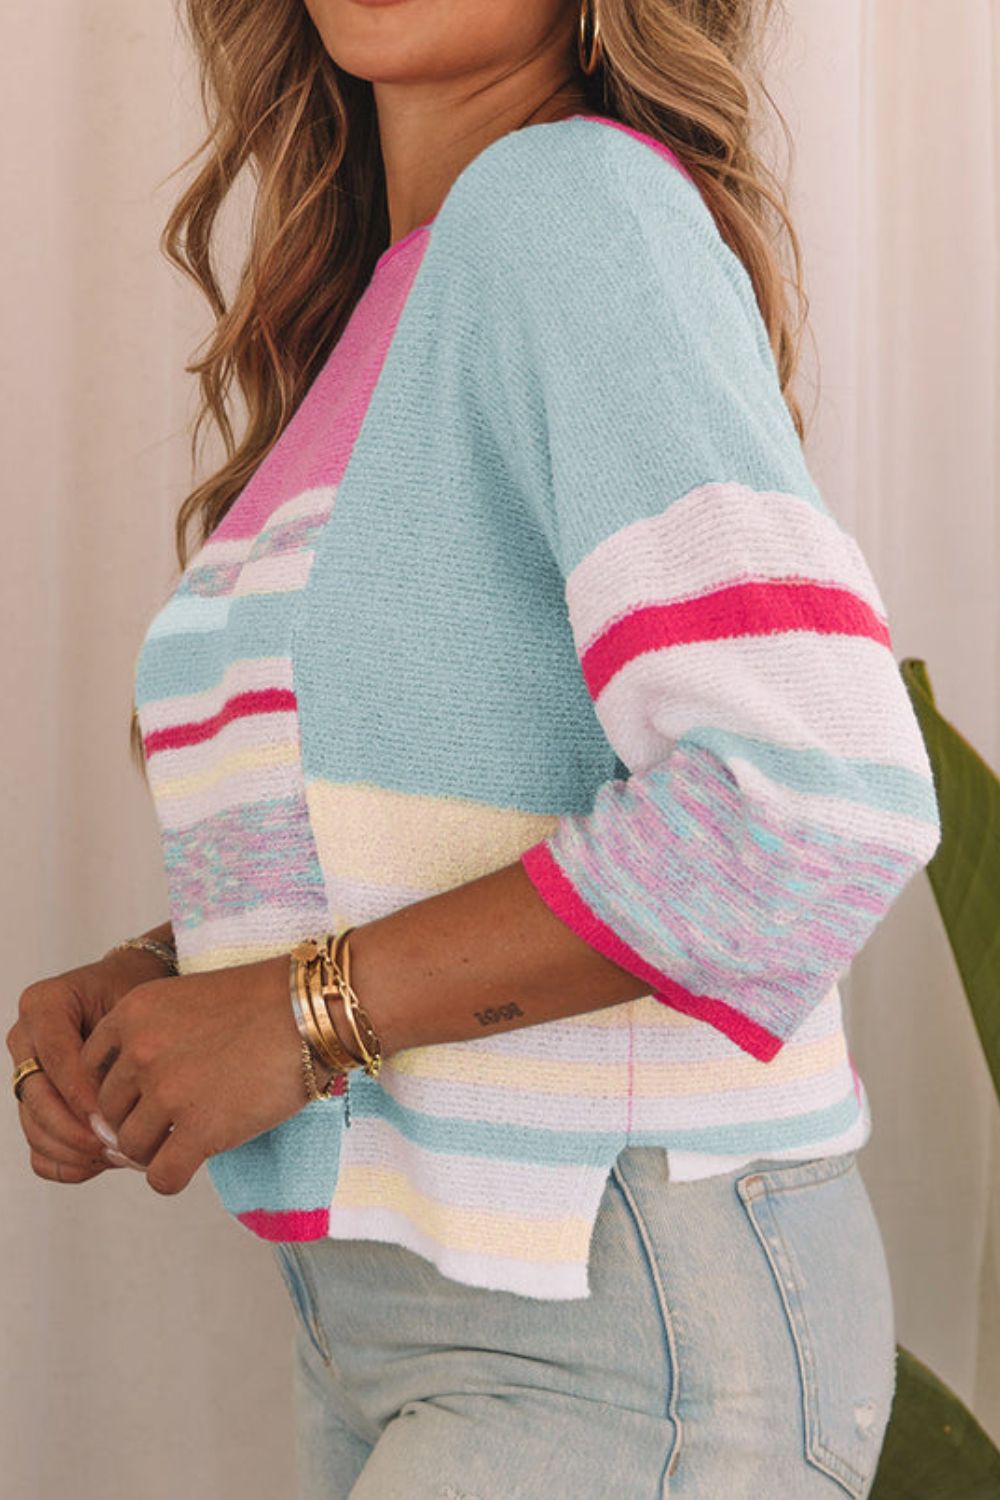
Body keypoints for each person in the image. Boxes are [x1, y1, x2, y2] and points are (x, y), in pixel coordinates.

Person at [9, 0, 942, 1495]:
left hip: (617, 1321)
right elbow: (455, 816)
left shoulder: (569, 205)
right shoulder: (392, 296)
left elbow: (808, 801)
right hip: (400, 1322)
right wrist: (167, 980)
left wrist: (299, 1017)